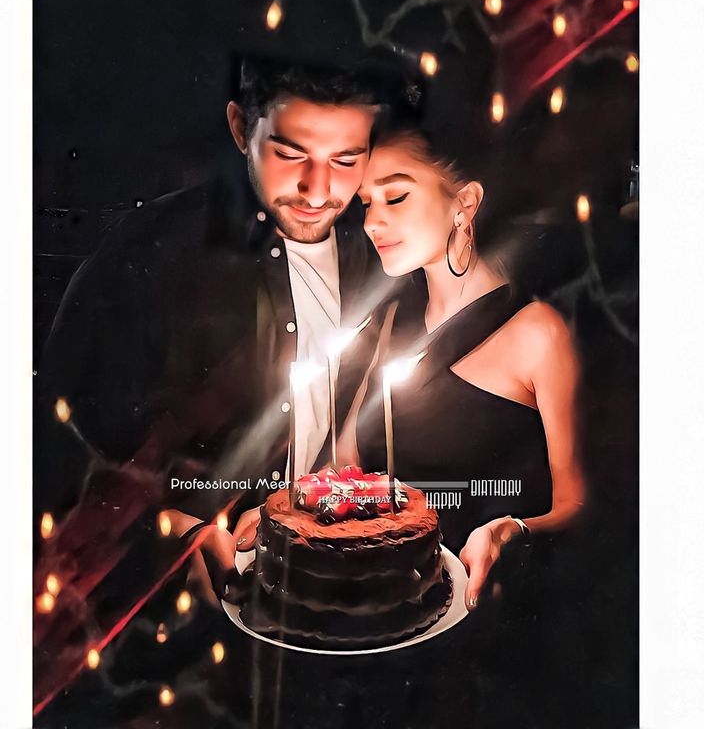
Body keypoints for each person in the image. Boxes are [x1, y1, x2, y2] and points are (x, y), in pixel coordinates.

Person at [35, 56, 400, 612]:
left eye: (347, 159)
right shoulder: (147, 255)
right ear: (239, 128)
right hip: (172, 626)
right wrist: (178, 530)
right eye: (290, 153)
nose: (319, 189)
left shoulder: (380, 253)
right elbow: (57, 446)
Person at [232, 124, 586, 615]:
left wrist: (512, 532)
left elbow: (581, 507)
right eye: (366, 204)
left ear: (464, 202)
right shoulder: (391, 319)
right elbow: (345, 462)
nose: (373, 222)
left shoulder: (537, 333)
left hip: (489, 619)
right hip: (378, 612)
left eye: (395, 197)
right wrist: (288, 511)